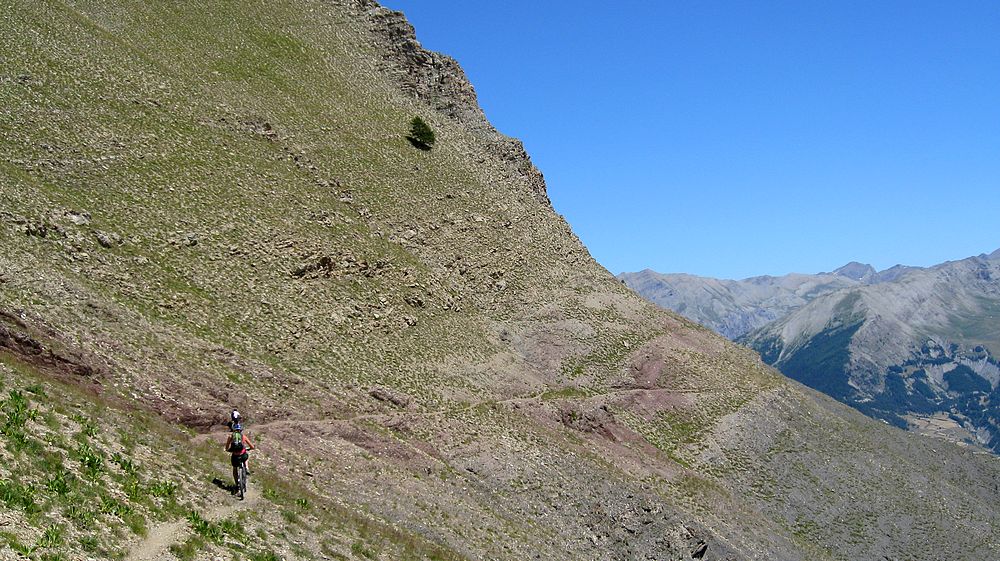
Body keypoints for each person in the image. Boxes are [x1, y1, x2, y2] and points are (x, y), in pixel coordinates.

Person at [224, 422, 255, 490]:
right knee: (246, 457)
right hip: (243, 455)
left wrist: (228, 450)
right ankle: (246, 467)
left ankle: (237, 484)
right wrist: (250, 448)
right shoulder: (243, 436)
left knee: (235, 469)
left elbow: (226, 447)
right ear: (240, 429)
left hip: (235, 456)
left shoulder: (230, 436)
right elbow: (252, 446)